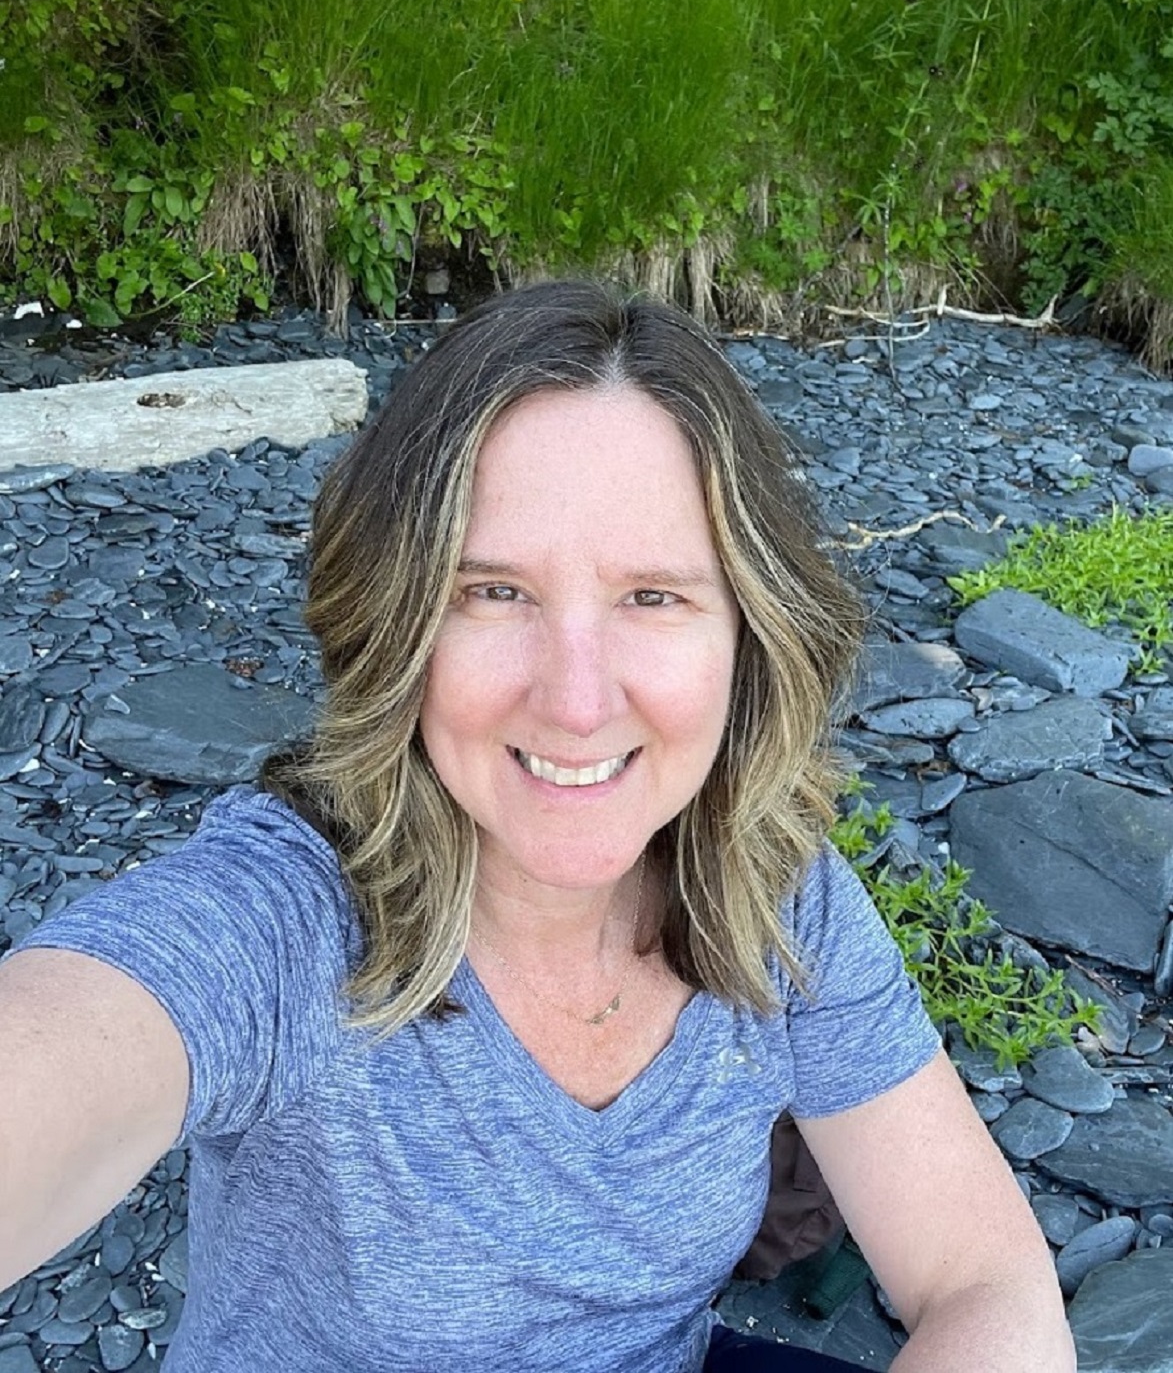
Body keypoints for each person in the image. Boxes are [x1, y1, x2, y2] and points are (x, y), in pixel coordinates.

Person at [0, 280, 1074, 1372]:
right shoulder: (284, 920)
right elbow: (78, 1040)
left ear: (749, 634)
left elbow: (984, 1276)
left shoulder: (772, 888)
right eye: (493, 592)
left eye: (653, 595)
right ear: (397, 623)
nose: (574, 699)